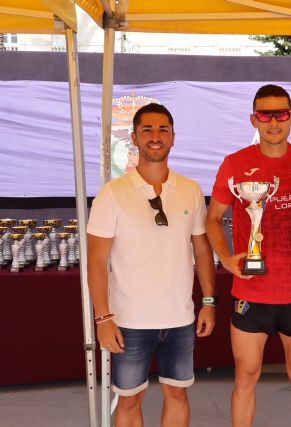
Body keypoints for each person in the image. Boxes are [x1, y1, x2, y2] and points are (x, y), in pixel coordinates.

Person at [87, 103, 216, 427]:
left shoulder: (190, 190)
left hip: (180, 318)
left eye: (163, 130)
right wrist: (103, 317)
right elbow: (96, 260)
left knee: (178, 394)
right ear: (134, 138)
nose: (155, 137)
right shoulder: (112, 194)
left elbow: (201, 250)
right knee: (130, 399)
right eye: (147, 130)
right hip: (129, 320)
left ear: (173, 138)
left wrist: (209, 301)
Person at [206, 84, 291, 427]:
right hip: (251, 292)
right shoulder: (235, 163)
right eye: (265, 115)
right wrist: (225, 258)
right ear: (253, 120)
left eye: (281, 114)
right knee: (246, 377)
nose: (274, 122)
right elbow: (213, 219)